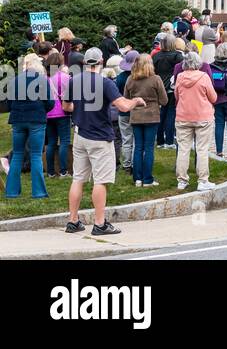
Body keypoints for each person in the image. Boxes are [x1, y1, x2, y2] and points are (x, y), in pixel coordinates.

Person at [66, 48, 146, 236]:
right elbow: (124, 106)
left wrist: (80, 107)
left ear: (85, 63)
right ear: (101, 62)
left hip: (79, 135)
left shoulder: (74, 81)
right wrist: (136, 100)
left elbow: (66, 106)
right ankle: (100, 224)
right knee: (100, 181)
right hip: (100, 137)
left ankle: (73, 221)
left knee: (78, 178)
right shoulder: (105, 83)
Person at [6, 54, 53, 200]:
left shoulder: (14, 81)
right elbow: (50, 103)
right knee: (36, 155)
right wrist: (41, 110)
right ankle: (38, 192)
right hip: (36, 120)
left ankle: (12, 192)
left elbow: (8, 104)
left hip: (18, 120)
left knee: (17, 155)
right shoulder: (41, 80)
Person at [173, 51, 218, 191]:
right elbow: (213, 97)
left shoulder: (179, 77)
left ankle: (182, 180)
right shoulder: (204, 77)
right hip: (202, 117)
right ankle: (203, 180)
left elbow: (176, 96)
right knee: (202, 149)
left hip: (183, 116)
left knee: (183, 149)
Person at [123, 53, 168, 187]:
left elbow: (125, 98)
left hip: (136, 116)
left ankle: (137, 178)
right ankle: (147, 179)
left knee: (138, 147)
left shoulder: (130, 79)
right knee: (148, 148)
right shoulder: (156, 79)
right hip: (151, 116)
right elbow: (164, 100)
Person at [42, 52, 73, 180]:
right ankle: (63, 171)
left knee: (51, 142)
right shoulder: (64, 77)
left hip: (47, 113)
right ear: (60, 64)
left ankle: (50, 172)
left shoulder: (43, 79)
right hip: (62, 112)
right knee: (65, 141)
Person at [151, 34, 184, 150]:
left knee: (162, 113)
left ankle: (160, 141)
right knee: (171, 113)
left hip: (159, 87)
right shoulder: (177, 56)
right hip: (171, 87)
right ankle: (169, 141)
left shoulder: (156, 56)